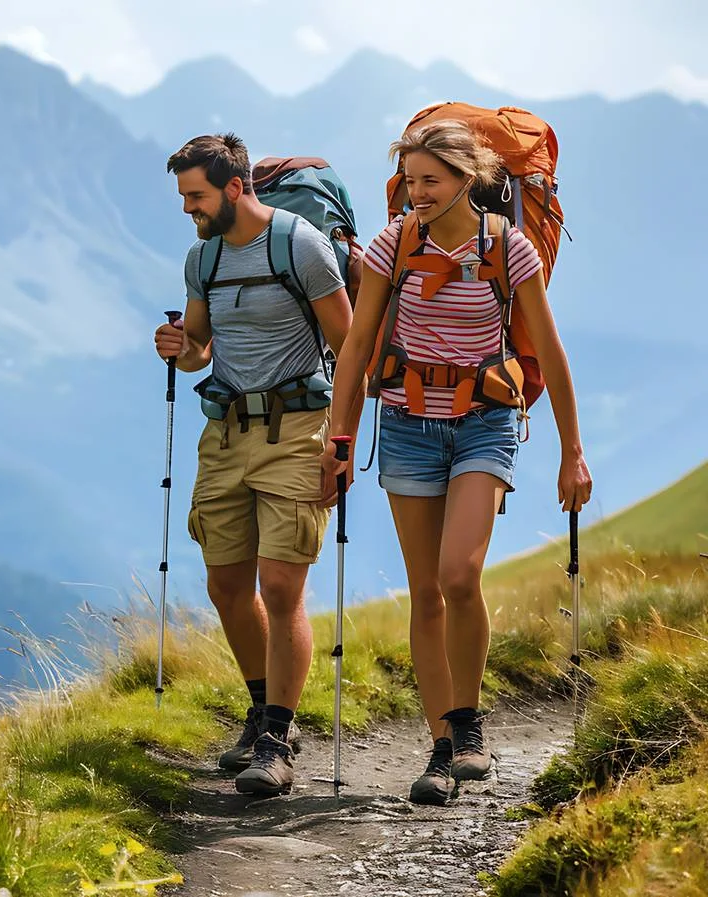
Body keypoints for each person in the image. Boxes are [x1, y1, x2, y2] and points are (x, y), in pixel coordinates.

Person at [320, 118, 593, 805]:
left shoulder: (510, 249)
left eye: (429, 180)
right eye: (409, 181)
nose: (417, 193)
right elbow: (355, 349)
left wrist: (574, 453)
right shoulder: (394, 245)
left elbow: (551, 355)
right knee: (425, 592)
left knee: (458, 574)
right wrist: (340, 437)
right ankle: (442, 748)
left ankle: (468, 723)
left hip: (485, 422)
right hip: (407, 423)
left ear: (468, 180)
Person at [155, 133, 354, 796]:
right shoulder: (202, 258)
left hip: (298, 428)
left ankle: (277, 736)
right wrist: (177, 346)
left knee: (281, 586)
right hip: (227, 431)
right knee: (226, 586)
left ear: (235, 187)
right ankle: (263, 710)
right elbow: (199, 350)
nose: (188, 208)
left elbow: (347, 346)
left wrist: (342, 441)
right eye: (184, 196)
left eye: (196, 195)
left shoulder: (300, 245)